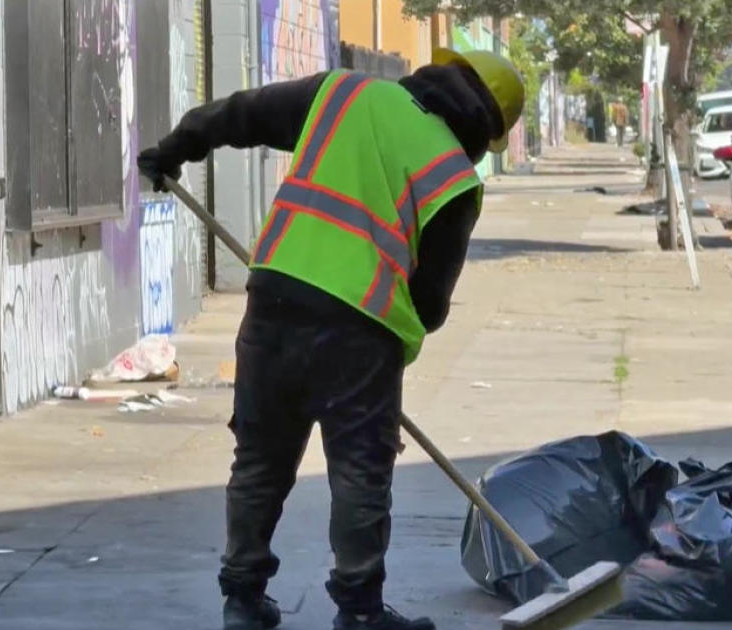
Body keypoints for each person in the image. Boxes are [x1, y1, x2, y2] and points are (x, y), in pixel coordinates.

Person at [137, 49, 523, 630]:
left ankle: (242, 600)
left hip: (273, 301)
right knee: (360, 471)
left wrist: (175, 147)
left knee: (260, 459)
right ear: (484, 130)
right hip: (360, 331)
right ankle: (360, 611)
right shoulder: (454, 178)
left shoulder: (344, 94)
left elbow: (242, 114)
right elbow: (430, 303)